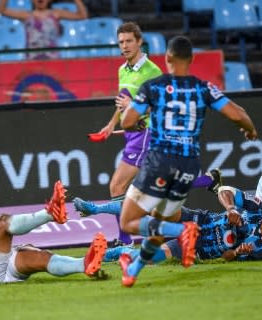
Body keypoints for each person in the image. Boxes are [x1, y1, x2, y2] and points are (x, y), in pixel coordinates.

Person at [117, 35, 258, 287]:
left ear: (167, 58)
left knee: (129, 221)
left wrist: (139, 119)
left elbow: (127, 121)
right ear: (191, 60)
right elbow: (238, 114)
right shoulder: (203, 88)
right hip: (188, 167)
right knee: (161, 223)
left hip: (160, 161)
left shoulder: (154, 87)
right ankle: (134, 269)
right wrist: (250, 130)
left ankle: (185, 232)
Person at [73, 22, 222, 247]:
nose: (124, 46)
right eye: (121, 41)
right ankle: (208, 180)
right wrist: (112, 123)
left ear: (139, 42)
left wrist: (134, 105)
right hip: (132, 133)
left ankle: (124, 240)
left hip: (146, 132)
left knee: (117, 186)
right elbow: (121, 101)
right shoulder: (122, 69)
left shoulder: (152, 71)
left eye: (129, 41)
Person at [103, 186, 262, 265]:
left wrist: (237, 252)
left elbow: (226, 258)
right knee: (155, 209)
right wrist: (231, 209)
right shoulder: (257, 209)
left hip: (198, 248)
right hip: (199, 220)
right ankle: (98, 209)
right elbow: (224, 190)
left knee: (149, 259)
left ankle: (121, 252)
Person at [0, 0, 88, 60]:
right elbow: (2, 10)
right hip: (32, 59)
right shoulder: (26, 15)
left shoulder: (56, 13)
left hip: (53, 59)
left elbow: (82, 15)